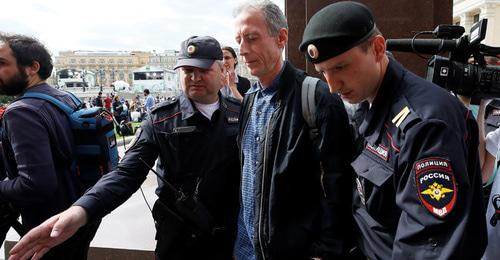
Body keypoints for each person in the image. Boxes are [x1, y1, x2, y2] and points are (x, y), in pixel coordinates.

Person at [9, 35, 241, 260]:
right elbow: (126, 173)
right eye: (188, 71)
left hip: (233, 234)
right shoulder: (162, 118)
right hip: (180, 239)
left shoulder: (242, 112)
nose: (194, 77)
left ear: (223, 73)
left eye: (203, 70)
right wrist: (80, 211)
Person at [299, 1, 487, 259]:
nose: (332, 86)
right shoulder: (370, 102)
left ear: (377, 49)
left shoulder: (426, 123)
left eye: (341, 67)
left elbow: (426, 247)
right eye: (323, 73)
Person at [233, 1, 355, 259]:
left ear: (282, 38)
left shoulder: (316, 97)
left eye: (252, 38)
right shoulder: (250, 100)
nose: (242, 50)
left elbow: (339, 186)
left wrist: (326, 250)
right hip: (247, 250)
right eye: (239, 40)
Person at [0, 33, 99, 259]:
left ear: (32, 67)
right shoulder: (66, 98)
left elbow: (35, 184)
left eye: (2, 63)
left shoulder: (22, 111)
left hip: (47, 228)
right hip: (78, 214)